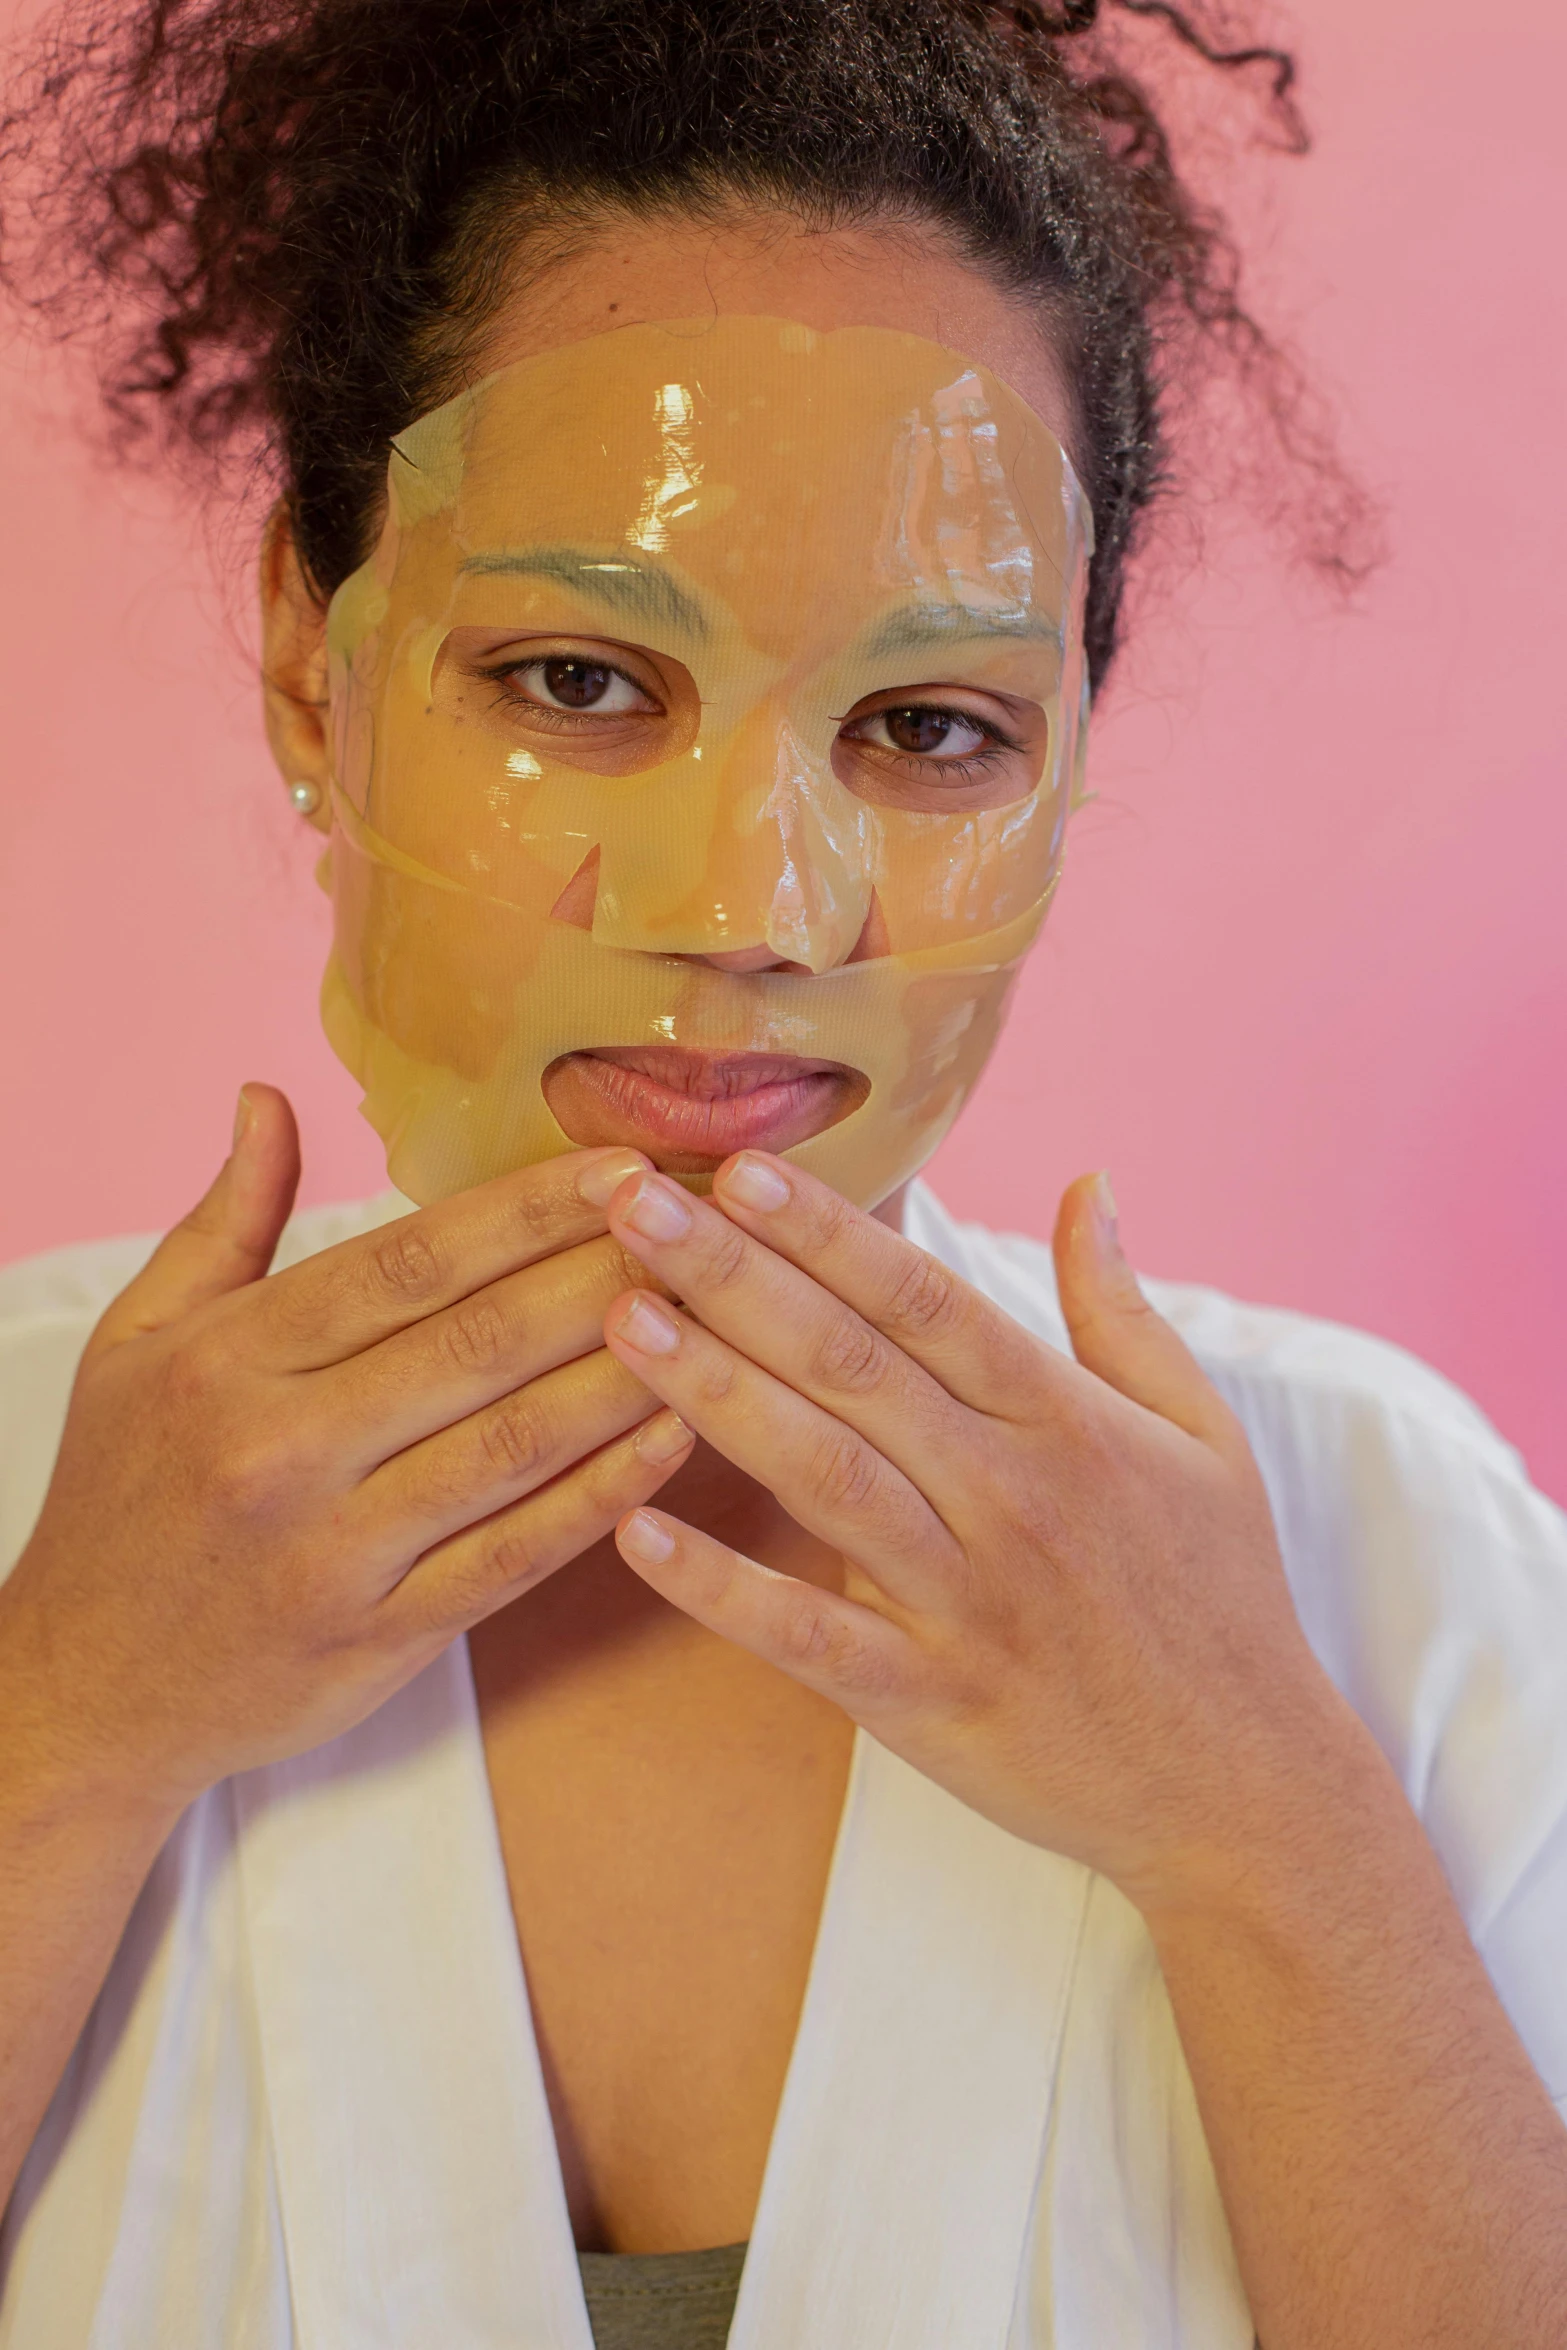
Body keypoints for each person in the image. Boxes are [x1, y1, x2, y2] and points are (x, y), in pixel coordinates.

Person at [1, 3, 1565, 2346]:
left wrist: (1265, 1831)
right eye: (578, 680)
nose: (756, 895)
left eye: (931, 727)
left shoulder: (1387, 1547)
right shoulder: (21, 1463)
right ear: (313, 665)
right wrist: (68, 1724)